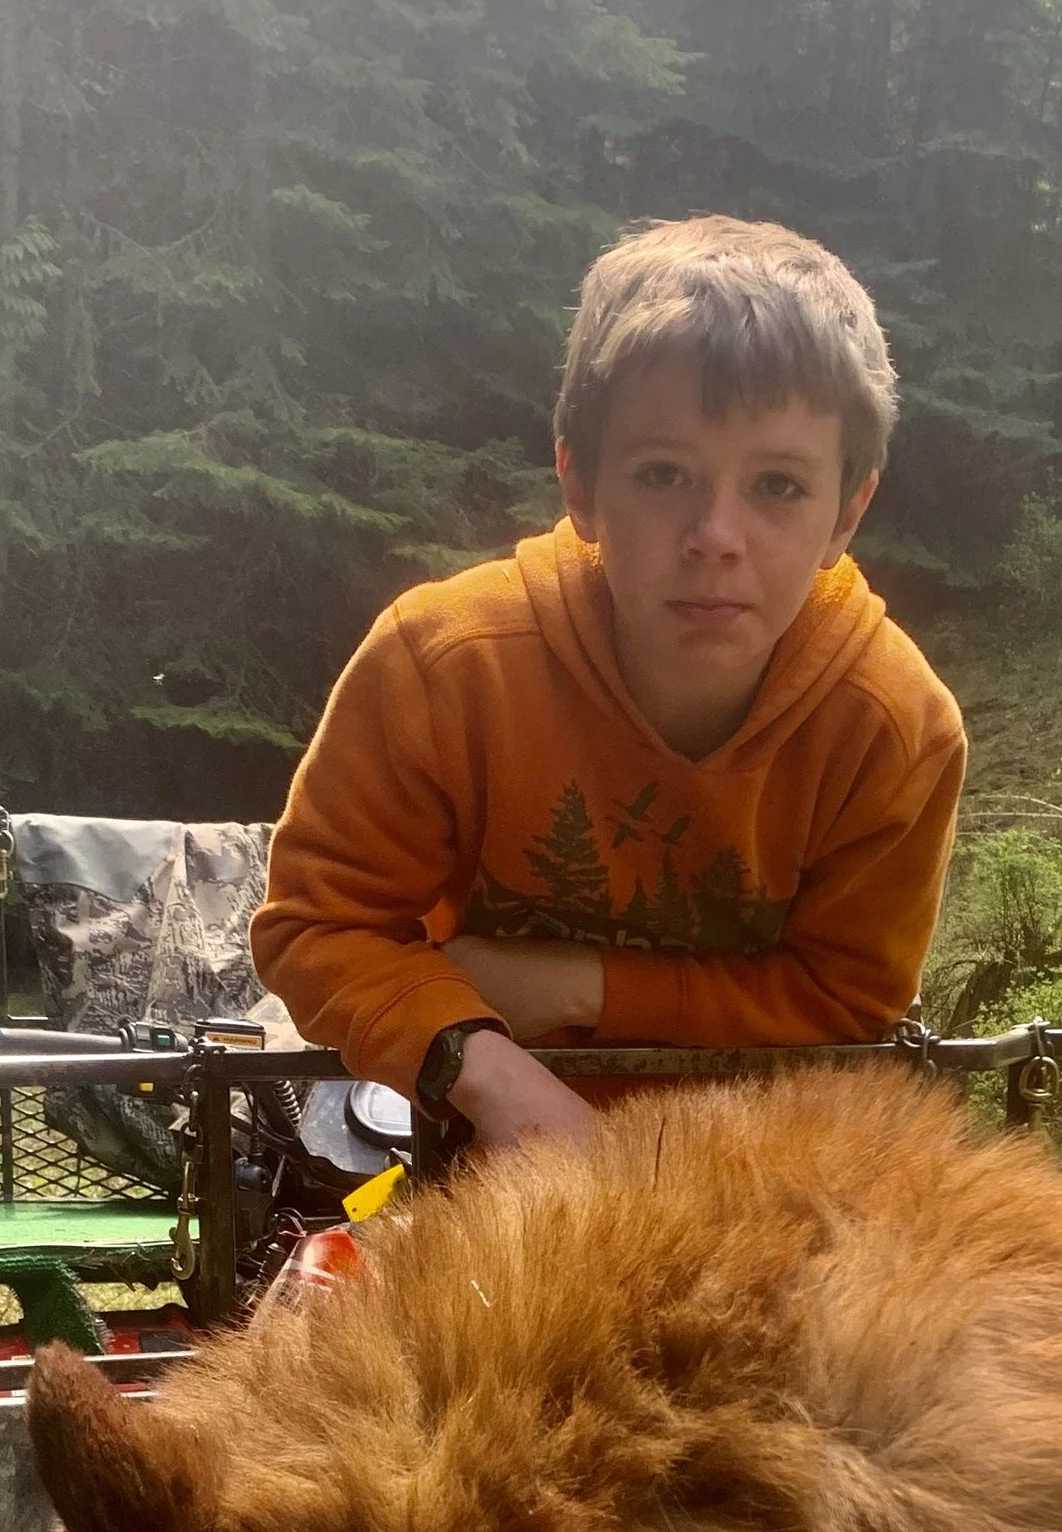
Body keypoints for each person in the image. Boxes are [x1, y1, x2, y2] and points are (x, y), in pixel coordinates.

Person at [248, 216, 968, 1153]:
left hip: (765, 1166)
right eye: (664, 474)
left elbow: (845, 1003)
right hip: (486, 1160)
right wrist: (489, 1074)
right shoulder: (444, 667)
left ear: (849, 509)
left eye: (779, 487)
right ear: (580, 484)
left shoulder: (895, 730)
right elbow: (316, 926)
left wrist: (577, 985)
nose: (716, 534)